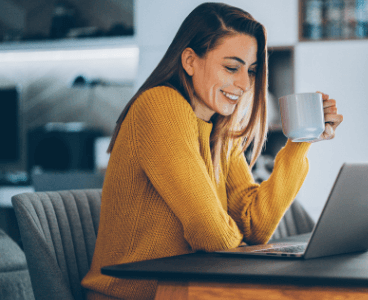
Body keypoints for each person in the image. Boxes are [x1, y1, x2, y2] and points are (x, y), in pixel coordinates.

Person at [81, 2, 343, 299]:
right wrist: (250, 255)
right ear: (190, 61)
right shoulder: (160, 105)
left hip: (190, 290)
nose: (245, 84)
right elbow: (210, 231)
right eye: (231, 67)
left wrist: (300, 142)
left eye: (252, 71)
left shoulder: (218, 128)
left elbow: (254, 226)